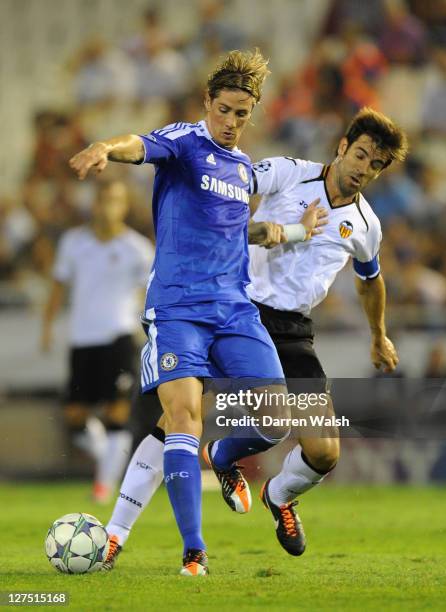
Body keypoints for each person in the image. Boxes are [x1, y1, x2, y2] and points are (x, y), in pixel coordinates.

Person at [100, 107, 408, 568]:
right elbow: (226, 197)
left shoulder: (366, 225)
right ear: (342, 147)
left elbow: (370, 280)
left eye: (376, 164)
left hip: (294, 330)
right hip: (235, 307)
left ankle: (274, 492)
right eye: (361, 154)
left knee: (324, 451)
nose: (364, 169)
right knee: (177, 419)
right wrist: (258, 231)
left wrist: (379, 335)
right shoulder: (287, 173)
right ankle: (115, 533)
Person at [69, 49, 327, 577]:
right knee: (183, 416)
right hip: (178, 309)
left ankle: (225, 456)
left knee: (277, 419)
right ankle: (194, 551)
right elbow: (137, 145)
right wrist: (104, 147)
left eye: (241, 114)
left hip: (235, 309)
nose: (231, 122)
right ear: (207, 102)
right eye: (224, 110)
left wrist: (297, 231)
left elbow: (238, 232)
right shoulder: (186, 141)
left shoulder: (241, 170)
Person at [41, 180, 152, 503]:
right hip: (82, 337)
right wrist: (47, 326)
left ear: (124, 206)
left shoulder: (138, 248)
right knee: (75, 416)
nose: (107, 206)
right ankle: (108, 457)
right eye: (103, 199)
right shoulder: (74, 242)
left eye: (115, 200)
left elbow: (151, 293)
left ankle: (103, 487)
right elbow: (59, 286)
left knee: (116, 413)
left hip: (120, 334)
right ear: (95, 203)